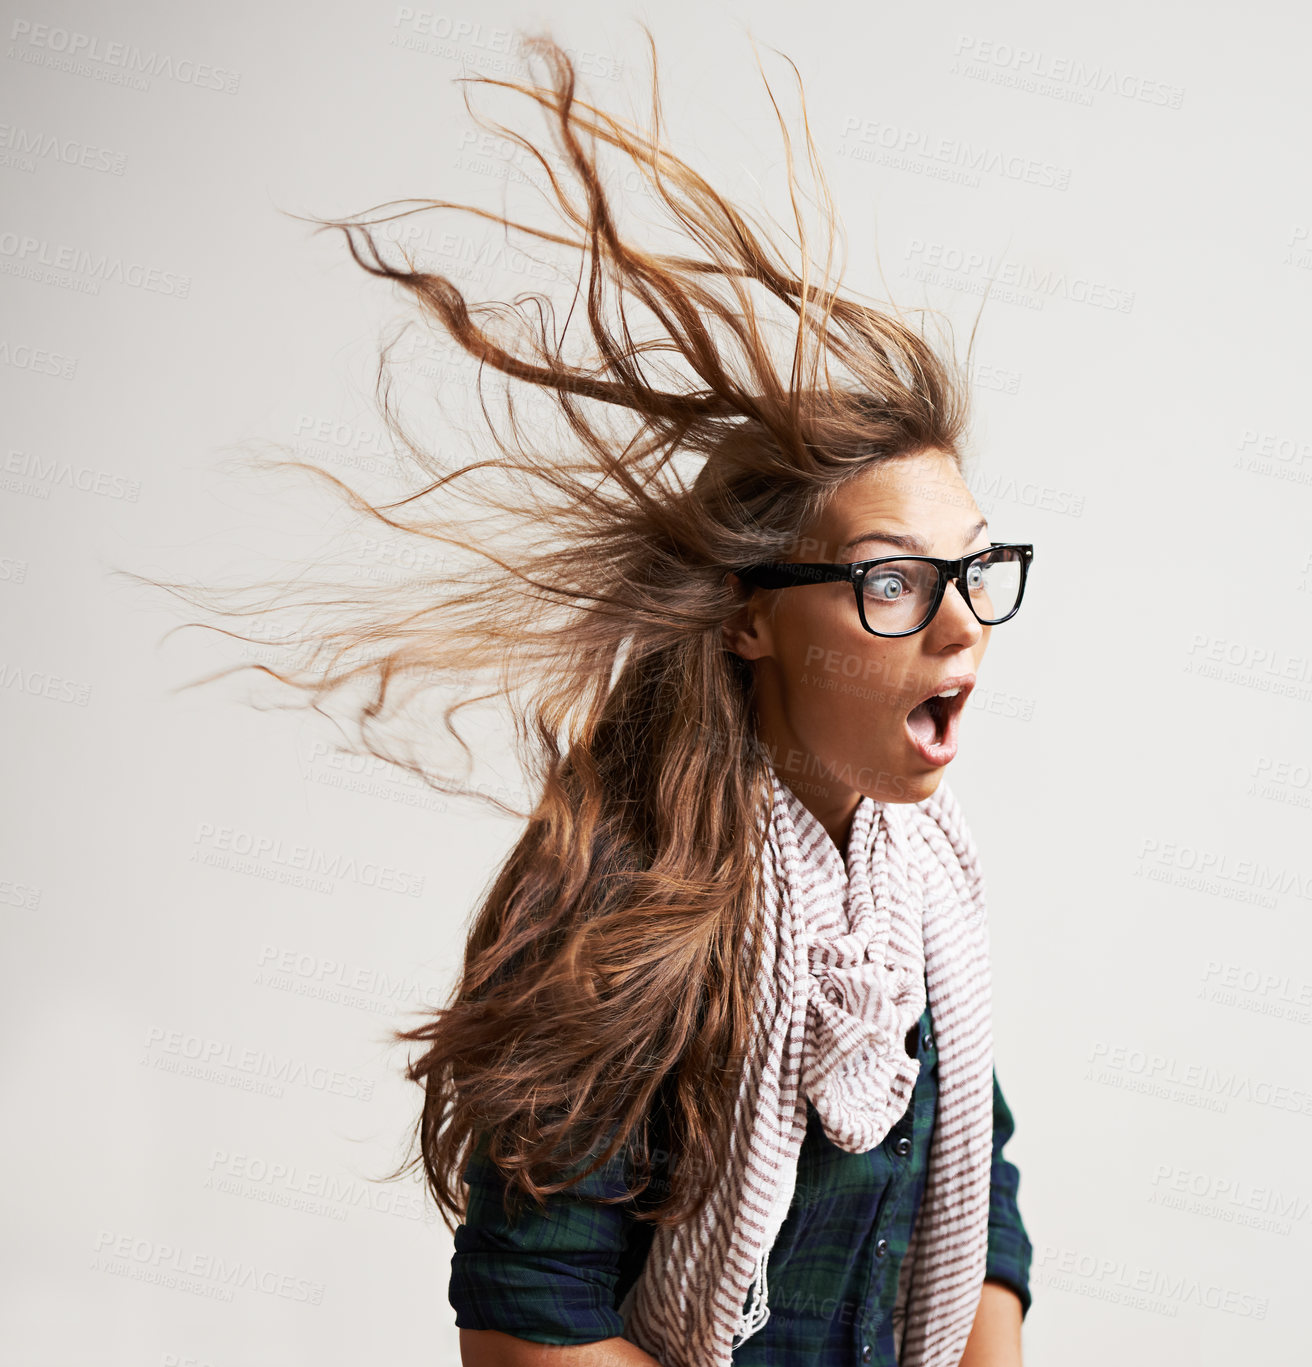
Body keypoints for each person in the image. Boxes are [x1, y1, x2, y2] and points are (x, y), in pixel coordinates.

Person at [153, 28, 1036, 1367]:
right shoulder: (628, 919)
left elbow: (982, 1203)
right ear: (751, 620)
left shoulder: (917, 899)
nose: (961, 618)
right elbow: (529, 1329)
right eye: (892, 581)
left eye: (974, 568)